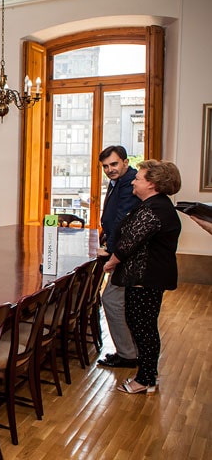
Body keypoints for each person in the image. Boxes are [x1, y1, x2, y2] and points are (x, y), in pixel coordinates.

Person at [103, 160, 181, 395]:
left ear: (153, 184)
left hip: (146, 277)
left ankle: (145, 379)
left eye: (139, 178)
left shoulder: (154, 209)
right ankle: (148, 374)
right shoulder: (154, 205)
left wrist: (111, 262)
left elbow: (129, 243)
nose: (134, 180)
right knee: (142, 326)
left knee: (143, 328)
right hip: (145, 276)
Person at [95, 145, 141, 369]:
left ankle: (128, 354)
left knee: (111, 300)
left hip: (125, 254)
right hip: (118, 247)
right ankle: (130, 351)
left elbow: (123, 218)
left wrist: (111, 248)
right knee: (121, 303)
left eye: (114, 164)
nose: (110, 169)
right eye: (105, 166)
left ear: (125, 161)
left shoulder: (131, 181)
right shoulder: (118, 181)